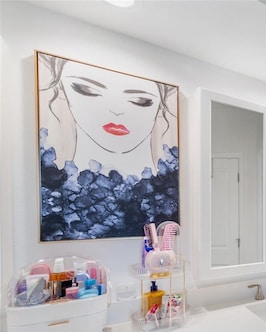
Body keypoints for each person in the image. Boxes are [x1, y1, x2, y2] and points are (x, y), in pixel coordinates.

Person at [36, 52, 179, 240]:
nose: (116, 109)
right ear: (62, 92)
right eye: (86, 89)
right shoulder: (52, 188)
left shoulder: (166, 193)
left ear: (160, 108)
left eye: (141, 100)